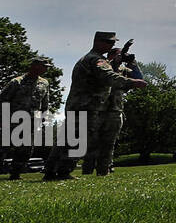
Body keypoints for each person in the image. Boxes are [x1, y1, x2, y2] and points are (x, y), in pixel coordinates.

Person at [44, 31, 120, 180]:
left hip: (78, 105)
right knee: (79, 139)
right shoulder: (96, 60)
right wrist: (131, 82)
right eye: (109, 42)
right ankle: (63, 171)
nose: (112, 45)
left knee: (65, 139)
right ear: (98, 42)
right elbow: (109, 77)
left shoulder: (88, 58)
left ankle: (50, 171)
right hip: (86, 106)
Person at [0, 56, 52, 181]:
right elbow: (2, 100)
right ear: (35, 66)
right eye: (44, 66)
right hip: (11, 121)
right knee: (2, 149)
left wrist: (44, 119)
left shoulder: (44, 83)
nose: (45, 69)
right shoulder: (17, 82)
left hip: (31, 122)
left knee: (25, 150)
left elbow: (45, 103)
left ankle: (15, 174)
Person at [91, 48, 146, 175]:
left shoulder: (124, 71)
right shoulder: (103, 66)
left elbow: (139, 78)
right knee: (94, 141)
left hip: (116, 110)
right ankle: (88, 169)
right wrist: (114, 61)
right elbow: (109, 74)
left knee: (110, 142)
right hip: (100, 110)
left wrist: (132, 62)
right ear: (110, 55)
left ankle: (106, 168)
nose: (121, 57)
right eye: (118, 55)